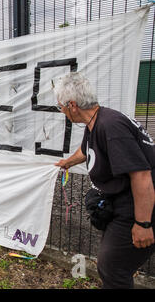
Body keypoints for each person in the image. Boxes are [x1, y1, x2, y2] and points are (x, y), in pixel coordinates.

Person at [53, 72, 154, 289]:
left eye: (60, 106)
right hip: (123, 204)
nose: (61, 111)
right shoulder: (95, 121)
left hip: (137, 207)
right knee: (111, 265)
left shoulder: (110, 126)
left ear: (72, 105)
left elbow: (142, 175)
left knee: (113, 267)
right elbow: (86, 150)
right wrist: (67, 163)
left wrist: (143, 223)